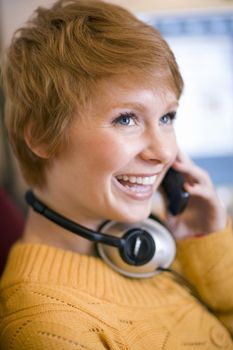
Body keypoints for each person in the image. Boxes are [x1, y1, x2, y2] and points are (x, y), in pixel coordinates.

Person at [0, 0, 232, 348]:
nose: (165, 152)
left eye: (167, 117)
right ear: (42, 136)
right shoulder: (47, 325)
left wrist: (204, 241)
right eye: (126, 119)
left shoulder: (150, 238)